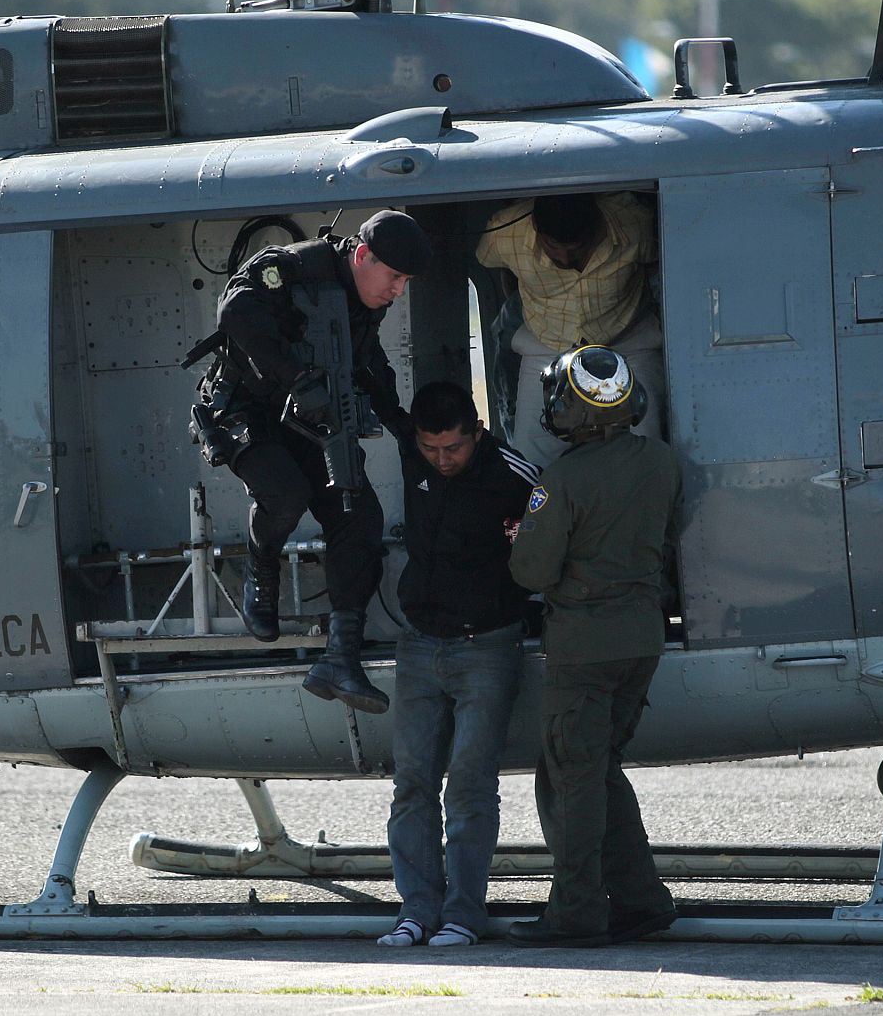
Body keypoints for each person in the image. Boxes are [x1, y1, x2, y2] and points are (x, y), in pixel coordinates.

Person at [197, 210, 432, 714]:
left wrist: (406, 429)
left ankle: (340, 658)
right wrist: (297, 377)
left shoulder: (367, 300)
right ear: (363, 256)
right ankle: (261, 570)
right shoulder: (293, 268)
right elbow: (235, 312)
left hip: (312, 415)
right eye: (394, 277)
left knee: (359, 516)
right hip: (247, 409)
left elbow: (369, 362)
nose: (397, 290)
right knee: (285, 495)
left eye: (406, 282)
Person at [505, 344, 681, 947]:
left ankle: (576, 913)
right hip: (641, 639)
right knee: (600, 770)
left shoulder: (562, 481)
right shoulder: (662, 463)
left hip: (584, 647)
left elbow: (530, 572)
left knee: (573, 781)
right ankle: (641, 901)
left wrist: (523, 536)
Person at [375, 381, 539, 948]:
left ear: (477, 432)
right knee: (412, 783)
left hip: (488, 646)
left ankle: (464, 914)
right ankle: (416, 910)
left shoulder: (514, 475)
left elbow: (552, 542)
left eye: (454, 448)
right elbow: (377, 394)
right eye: (430, 449)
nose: (442, 460)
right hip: (419, 644)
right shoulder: (411, 450)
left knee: (469, 785)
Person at [475, 192, 664, 469]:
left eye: (577, 249)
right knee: (531, 452)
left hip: (628, 339)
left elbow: (658, 266)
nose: (565, 258)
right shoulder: (505, 233)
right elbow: (495, 265)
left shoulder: (635, 225)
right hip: (545, 343)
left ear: (598, 225)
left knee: (646, 442)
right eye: (554, 247)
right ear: (537, 229)